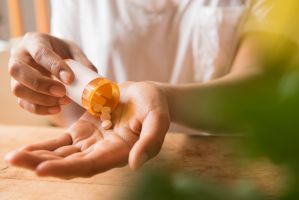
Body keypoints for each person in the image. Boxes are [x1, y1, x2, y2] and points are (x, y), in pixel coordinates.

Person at [5, 0, 298, 179]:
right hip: (116, 178)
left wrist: (162, 102)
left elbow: (260, 86)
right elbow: (70, 114)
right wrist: (49, 78)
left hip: (226, 169)